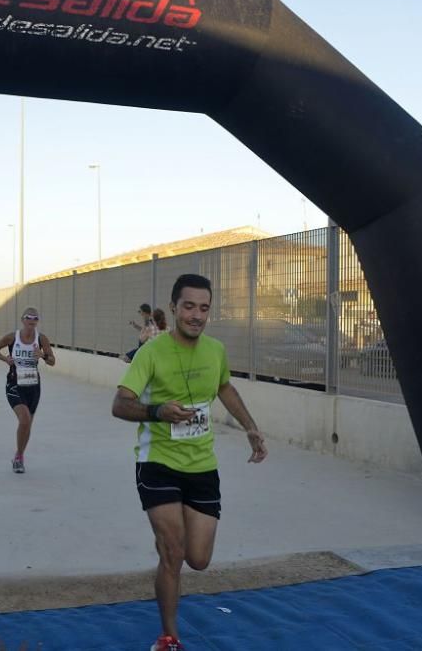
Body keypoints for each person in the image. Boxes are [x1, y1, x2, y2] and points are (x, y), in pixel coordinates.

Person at [111, 274, 268, 651]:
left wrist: (251, 427)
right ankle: (170, 637)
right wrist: (157, 411)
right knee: (174, 552)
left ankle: (169, 552)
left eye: (204, 308)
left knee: (198, 559)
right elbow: (120, 404)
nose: (196, 315)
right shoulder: (151, 351)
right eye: (189, 306)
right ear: (175, 307)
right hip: (158, 462)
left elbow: (224, 387)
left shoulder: (214, 350)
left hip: (201, 465)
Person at [0, 306, 56, 474]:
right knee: (25, 420)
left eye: (35, 318)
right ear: (22, 320)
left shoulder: (42, 339)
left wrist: (42, 355)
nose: (31, 321)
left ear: (37, 321)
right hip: (14, 383)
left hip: (33, 386)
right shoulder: (13, 337)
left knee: (27, 425)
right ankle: (19, 458)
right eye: (28, 317)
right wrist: (6, 359)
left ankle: (19, 455)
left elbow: (52, 361)